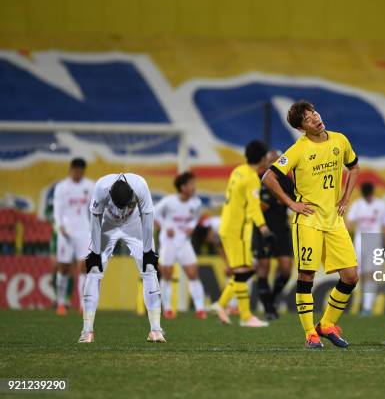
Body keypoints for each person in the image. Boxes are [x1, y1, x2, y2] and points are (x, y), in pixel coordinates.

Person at [262, 100, 360, 349]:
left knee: (350, 276)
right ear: (301, 128)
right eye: (308, 119)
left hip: (334, 220)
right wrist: (291, 204)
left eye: (314, 113)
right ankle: (310, 334)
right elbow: (268, 177)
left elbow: (354, 167)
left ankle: (326, 324)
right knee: (307, 274)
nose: (315, 118)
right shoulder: (299, 149)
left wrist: (346, 197)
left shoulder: (340, 140)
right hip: (308, 220)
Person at [79, 173, 164, 343]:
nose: (122, 210)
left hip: (134, 224)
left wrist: (148, 251)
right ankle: (87, 332)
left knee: (149, 268)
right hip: (107, 225)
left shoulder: (140, 185)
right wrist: (95, 252)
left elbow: (148, 217)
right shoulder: (101, 187)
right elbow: (95, 218)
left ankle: (156, 330)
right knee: (94, 270)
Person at [210, 141, 271, 328]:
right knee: (244, 271)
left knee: (243, 270)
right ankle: (245, 317)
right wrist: (263, 228)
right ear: (262, 158)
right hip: (237, 230)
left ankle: (220, 305)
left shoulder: (237, 170)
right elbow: (253, 207)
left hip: (227, 226)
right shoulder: (252, 177)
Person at [155, 172, 206, 320]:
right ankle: (168, 309)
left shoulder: (196, 203)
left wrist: (191, 226)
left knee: (193, 274)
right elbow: (154, 213)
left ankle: (200, 309)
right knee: (167, 275)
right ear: (183, 187)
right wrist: (165, 226)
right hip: (168, 242)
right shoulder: (169, 201)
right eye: (191, 184)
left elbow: (195, 218)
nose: (194, 187)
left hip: (184, 241)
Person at [253, 150, 294, 320]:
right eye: (270, 160)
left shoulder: (287, 181)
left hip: (282, 229)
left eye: (277, 160)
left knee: (286, 269)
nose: (273, 163)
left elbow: (294, 201)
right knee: (263, 267)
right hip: (262, 229)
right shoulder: (257, 180)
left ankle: (272, 299)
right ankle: (269, 309)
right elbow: (253, 205)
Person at [52, 158, 94, 315]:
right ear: (70, 170)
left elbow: (95, 208)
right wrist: (59, 226)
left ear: (83, 171)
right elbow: (58, 210)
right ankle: (61, 302)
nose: (77, 173)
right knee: (63, 268)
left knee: (84, 267)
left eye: (80, 170)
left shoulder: (90, 186)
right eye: (75, 170)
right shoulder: (62, 187)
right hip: (66, 232)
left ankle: (83, 305)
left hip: (84, 231)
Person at [346, 182, 385, 316]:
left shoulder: (381, 205)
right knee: (357, 274)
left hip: (374, 241)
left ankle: (367, 306)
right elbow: (349, 223)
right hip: (359, 242)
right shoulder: (357, 205)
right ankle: (359, 302)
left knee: (370, 274)